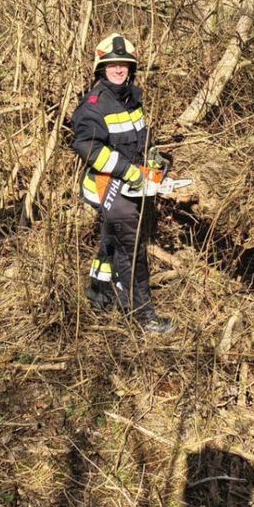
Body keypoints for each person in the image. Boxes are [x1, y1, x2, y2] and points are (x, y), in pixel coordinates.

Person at [71, 33, 176, 334]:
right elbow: (89, 149)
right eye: (112, 65)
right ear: (101, 69)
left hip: (131, 183)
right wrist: (129, 171)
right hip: (108, 185)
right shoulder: (93, 105)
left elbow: (139, 140)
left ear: (131, 69)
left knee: (110, 244)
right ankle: (143, 316)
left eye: (124, 65)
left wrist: (151, 159)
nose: (118, 70)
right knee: (131, 250)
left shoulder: (133, 99)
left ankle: (100, 297)